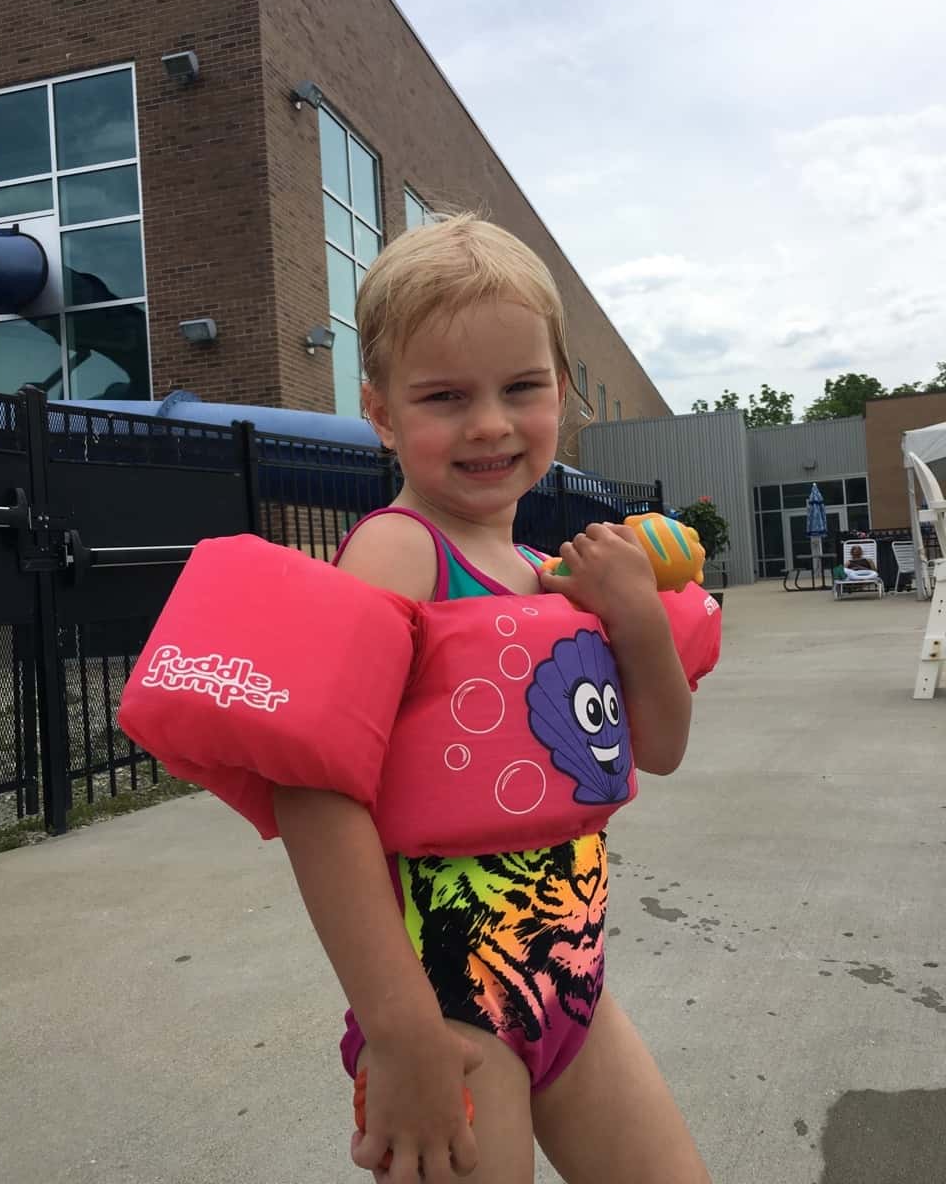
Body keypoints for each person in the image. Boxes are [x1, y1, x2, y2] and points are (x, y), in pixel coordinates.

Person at [271, 215, 713, 1184]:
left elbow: (662, 747)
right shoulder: (398, 551)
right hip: (449, 1007)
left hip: (571, 981)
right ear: (381, 412)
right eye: (443, 396)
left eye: (522, 387)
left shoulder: (544, 573)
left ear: (562, 393)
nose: (489, 423)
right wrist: (400, 1034)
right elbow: (313, 789)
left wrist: (634, 614)